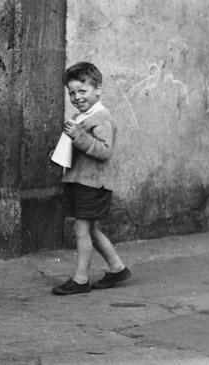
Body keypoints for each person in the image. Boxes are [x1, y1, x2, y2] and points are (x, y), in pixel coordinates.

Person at [51, 62, 131, 295]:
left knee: (81, 229)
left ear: (98, 90)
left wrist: (79, 138)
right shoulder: (81, 116)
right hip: (81, 181)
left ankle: (81, 279)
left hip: (93, 184)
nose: (76, 97)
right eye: (72, 93)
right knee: (92, 230)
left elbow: (104, 151)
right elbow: (79, 148)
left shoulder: (101, 118)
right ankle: (117, 268)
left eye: (82, 91)